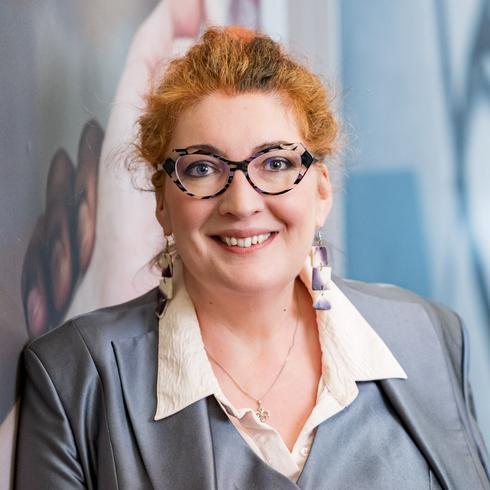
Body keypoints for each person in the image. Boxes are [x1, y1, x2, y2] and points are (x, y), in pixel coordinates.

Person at [15, 26, 490, 490]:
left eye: (276, 163)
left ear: (321, 191)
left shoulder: (429, 337)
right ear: (161, 203)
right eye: (202, 168)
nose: (242, 204)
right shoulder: (75, 380)